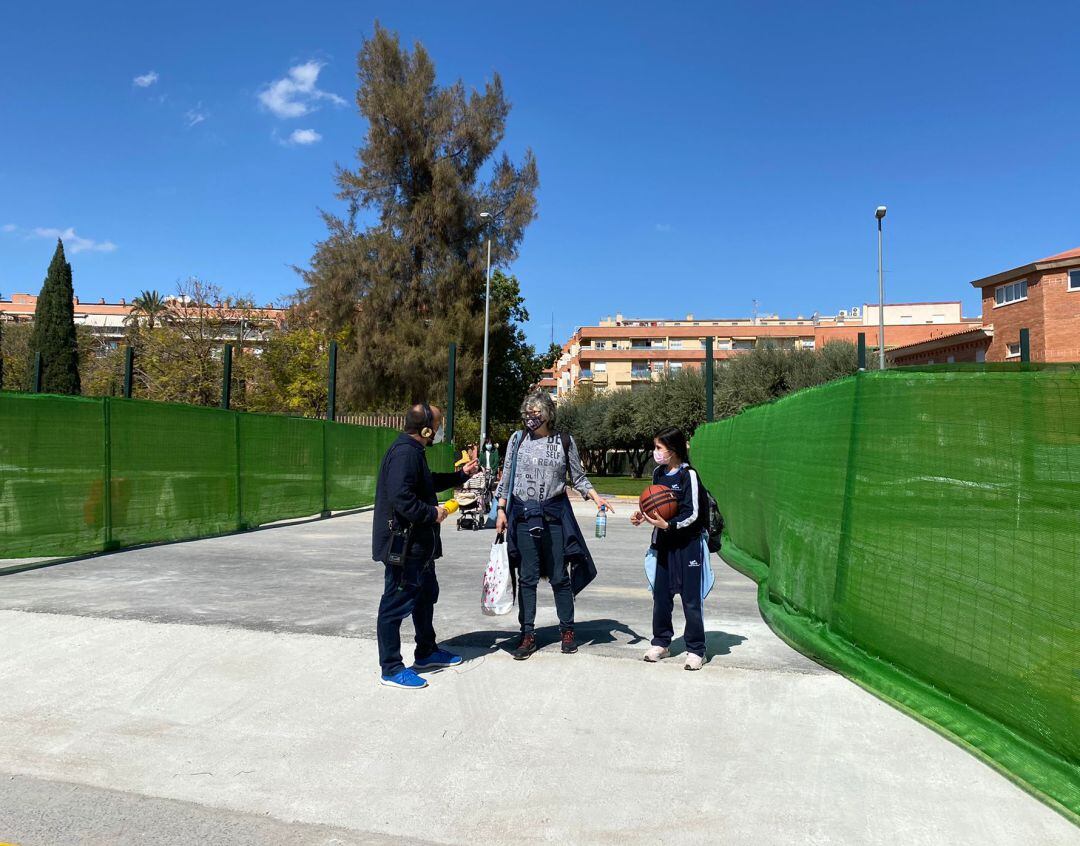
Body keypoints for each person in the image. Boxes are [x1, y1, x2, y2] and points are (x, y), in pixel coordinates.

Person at [494, 391, 615, 659]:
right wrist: (501, 509)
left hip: (554, 517)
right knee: (527, 577)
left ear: (548, 414)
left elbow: (578, 476)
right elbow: (507, 477)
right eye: (527, 413)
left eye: (536, 414)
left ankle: (567, 630)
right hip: (524, 517)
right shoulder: (517, 439)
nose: (530, 419)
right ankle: (527, 634)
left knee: (560, 577)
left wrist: (596, 498)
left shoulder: (564, 441)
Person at [372, 403, 478, 689]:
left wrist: (461, 476)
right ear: (427, 429)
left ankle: (427, 652)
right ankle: (391, 669)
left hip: (420, 547)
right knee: (395, 605)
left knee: (425, 596)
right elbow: (401, 498)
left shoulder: (413, 452)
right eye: (439, 424)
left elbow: (425, 482)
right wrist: (434, 513)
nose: (441, 430)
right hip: (403, 547)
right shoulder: (405, 453)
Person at [631, 427, 712, 671]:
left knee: (691, 599)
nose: (655, 452)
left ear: (673, 450)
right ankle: (661, 643)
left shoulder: (689, 476)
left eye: (658, 447)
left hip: (688, 545)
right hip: (663, 545)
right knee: (661, 597)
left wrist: (670, 524)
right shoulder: (658, 473)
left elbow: (694, 514)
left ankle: (697, 649)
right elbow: (654, 505)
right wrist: (642, 515)